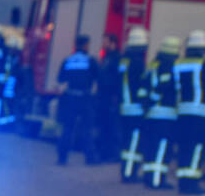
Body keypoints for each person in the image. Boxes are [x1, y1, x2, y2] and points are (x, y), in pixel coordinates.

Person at [174, 30, 205, 195]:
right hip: (200, 113)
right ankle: (192, 184)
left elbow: (176, 87)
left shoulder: (178, 63)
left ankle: (183, 182)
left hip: (182, 111)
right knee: (197, 148)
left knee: (184, 146)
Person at [140, 36, 180, 189]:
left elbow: (143, 89)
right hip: (166, 115)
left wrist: (147, 104)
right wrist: (154, 98)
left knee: (151, 146)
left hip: (151, 115)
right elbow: (165, 87)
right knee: (163, 148)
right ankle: (157, 180)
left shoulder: (152, 66)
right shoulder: (170, 67)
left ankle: (148, 177)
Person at [56, 35, 98, 165]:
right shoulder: (90, 60)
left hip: (70, 97)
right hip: (85, 98)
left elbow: (60, 78)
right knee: (87, 128)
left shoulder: (68, 60)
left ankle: (62, 158)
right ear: (85, 45)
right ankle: (90, 158)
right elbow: (97, 77)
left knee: (68, 128)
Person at [118, 28, 149, 183]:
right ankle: (129, 174)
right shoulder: (138, 62)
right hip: (135, 108)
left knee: (127, 141)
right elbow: (141, 87)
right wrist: (145, 104)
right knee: (134, 142)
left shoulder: (124, 60)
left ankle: (126, 171)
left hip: (124, 106)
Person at [95, 33, 122, 163]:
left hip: (111, 97)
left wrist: (115, 96)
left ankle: (110, 153)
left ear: (113, 43)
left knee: (111, 126)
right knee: (104, 125)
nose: (103, 44)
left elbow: (117, 78)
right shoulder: (107, 57)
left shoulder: (116, 58)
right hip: (103, 97)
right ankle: (103, 152)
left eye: (105, 41)